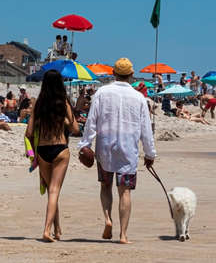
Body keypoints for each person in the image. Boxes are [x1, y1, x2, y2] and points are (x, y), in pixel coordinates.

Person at [78, 58, 156, 244]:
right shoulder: (139, 97)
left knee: (105, 185)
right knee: (125, 191)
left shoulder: (102, 93)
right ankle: (123, 235)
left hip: (105, 146)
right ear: (131, 75)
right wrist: (150, 153)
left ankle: (107, 219)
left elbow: (92, 121)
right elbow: (146, 128)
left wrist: (85, 143)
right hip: (128, 148)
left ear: (113, 73)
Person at [25, 70, 79, 242]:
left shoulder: (38, 104)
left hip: (43, 150)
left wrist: (32, 155)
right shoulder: (63, 103)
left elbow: (28, 133)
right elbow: (76, 129)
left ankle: (57, 229)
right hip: (60, 150)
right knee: (55, 191)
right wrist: (65, 121)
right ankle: (47, 230)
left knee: (51, 191)